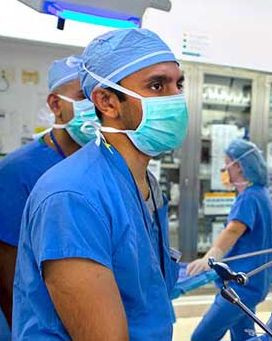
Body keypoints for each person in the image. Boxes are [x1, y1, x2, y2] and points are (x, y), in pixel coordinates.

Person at [13, 28, 185, 340]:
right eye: (158, 85)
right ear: (107, 102)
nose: (176, 99)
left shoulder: (143, 183)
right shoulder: (73, 196)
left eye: (179, 84)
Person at [0, 55, 97, 328]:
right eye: (83, 96)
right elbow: (11, 292)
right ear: (56, 104)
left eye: (99, 95)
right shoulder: (12, 178)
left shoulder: (104, 164)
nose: (95, 106)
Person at [187, 138, 272, 341]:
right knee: (243, 337)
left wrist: (209, 258)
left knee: (201, 337)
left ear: (238, 166)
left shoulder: (249, 197)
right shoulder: (261, 194)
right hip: (254, 284)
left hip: (241, 287)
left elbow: (234, 230)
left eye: (227, 164)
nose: (224, 170)